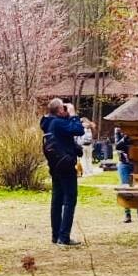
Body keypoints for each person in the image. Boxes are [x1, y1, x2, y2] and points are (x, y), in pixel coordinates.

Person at [40, 98, 84, 246]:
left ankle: (55, 235)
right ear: (59, 110)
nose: (65, 110)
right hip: (65, 165)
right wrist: (72, 114)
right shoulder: (58, 123)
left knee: (57, 200)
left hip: (56, 165)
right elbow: (79, 130)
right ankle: (64, 237)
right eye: (63, 108)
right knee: (70, 199)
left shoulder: (48, 123)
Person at [115, 130, 138, 223]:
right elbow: (118, 146)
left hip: (136, 162)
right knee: (125, 187)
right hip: (124, 163)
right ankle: (127, 214)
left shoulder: (137, 132)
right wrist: (126, 137)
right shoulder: (118, 131)